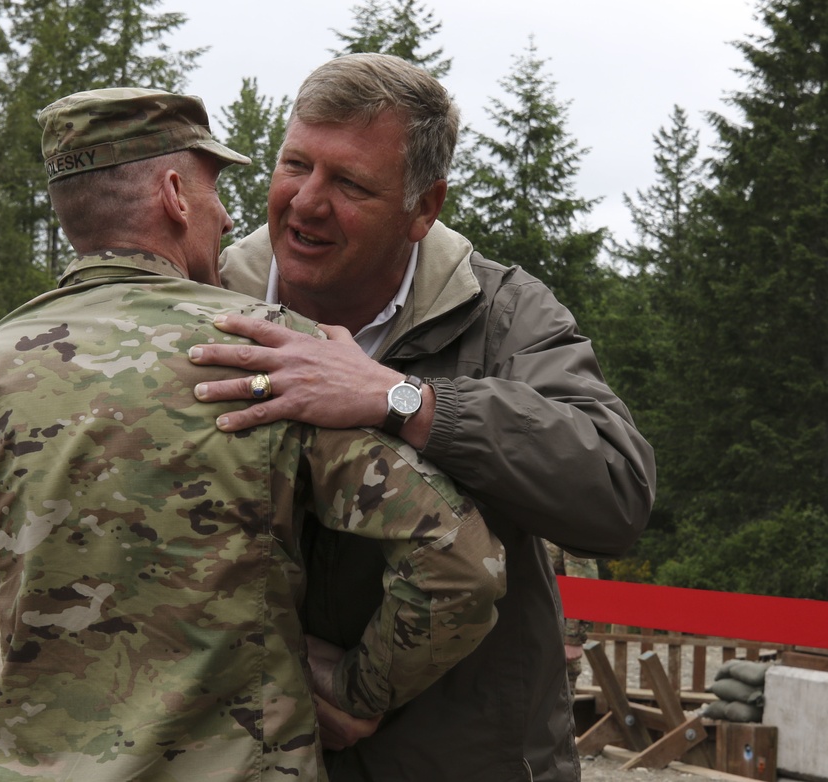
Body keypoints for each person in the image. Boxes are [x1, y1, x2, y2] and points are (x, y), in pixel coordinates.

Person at [0, 87, 507, 782]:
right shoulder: (266, 351)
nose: (229, 216)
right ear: (174, 194)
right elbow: (460, 560)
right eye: (213, 189)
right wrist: (359, 691)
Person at [189, 53, 657, 782]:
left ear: (423, 208)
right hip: (250, 754)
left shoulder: (501, 313)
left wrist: (401, 398)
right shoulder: (204, 301)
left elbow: (616, 489)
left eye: (349, 184)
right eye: (295, 165)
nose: (307, 202)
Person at [543, 540, 599, 694]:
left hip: (554, 642)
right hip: (516, 636)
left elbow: (583, 586)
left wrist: (573, 638)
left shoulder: (565, 523)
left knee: (556, 711)